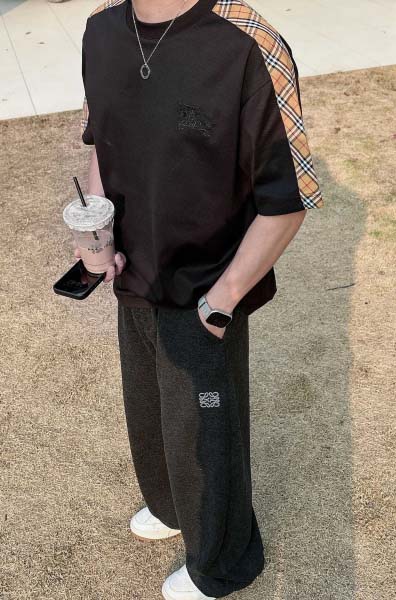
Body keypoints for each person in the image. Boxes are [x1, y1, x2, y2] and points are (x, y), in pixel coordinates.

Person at [78, 0, 324, 598]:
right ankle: (169, 507)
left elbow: (289, 196)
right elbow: (101, 145)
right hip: (132, 277)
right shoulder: (101, 28)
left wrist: (222, 299)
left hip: (205, 291)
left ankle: (224, 563)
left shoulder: (247, 43)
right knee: (148, 410)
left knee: (205, 436)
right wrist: (97, 235)